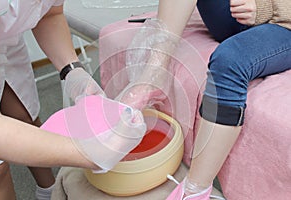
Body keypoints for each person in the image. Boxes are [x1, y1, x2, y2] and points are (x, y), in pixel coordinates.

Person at [118, 0, 291, 199]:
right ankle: (152, 76)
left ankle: (194, 190)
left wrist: (269, 7)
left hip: (283, 22)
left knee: (229, 61)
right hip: (241, 9)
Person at [0, 1, 146, 200]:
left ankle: (48, 190)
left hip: (3, 35)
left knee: (23, 112)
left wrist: (72, 71)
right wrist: (89, 153)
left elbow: (49, 15)